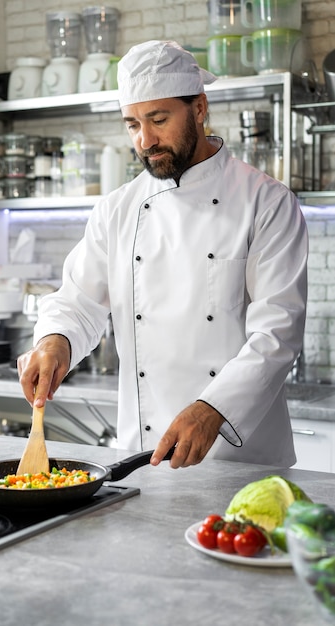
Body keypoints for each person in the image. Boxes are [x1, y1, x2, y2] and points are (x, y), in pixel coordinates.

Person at [18, 40, 308, 469]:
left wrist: (213, 408)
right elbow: (78, 303)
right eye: (132, 123)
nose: (145, 139)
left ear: (199, 108)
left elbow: (277, 335)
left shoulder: (266, 202)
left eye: (158, 119)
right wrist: (55, 341)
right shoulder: (117, 210)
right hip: (144, 457)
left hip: (241, 457)